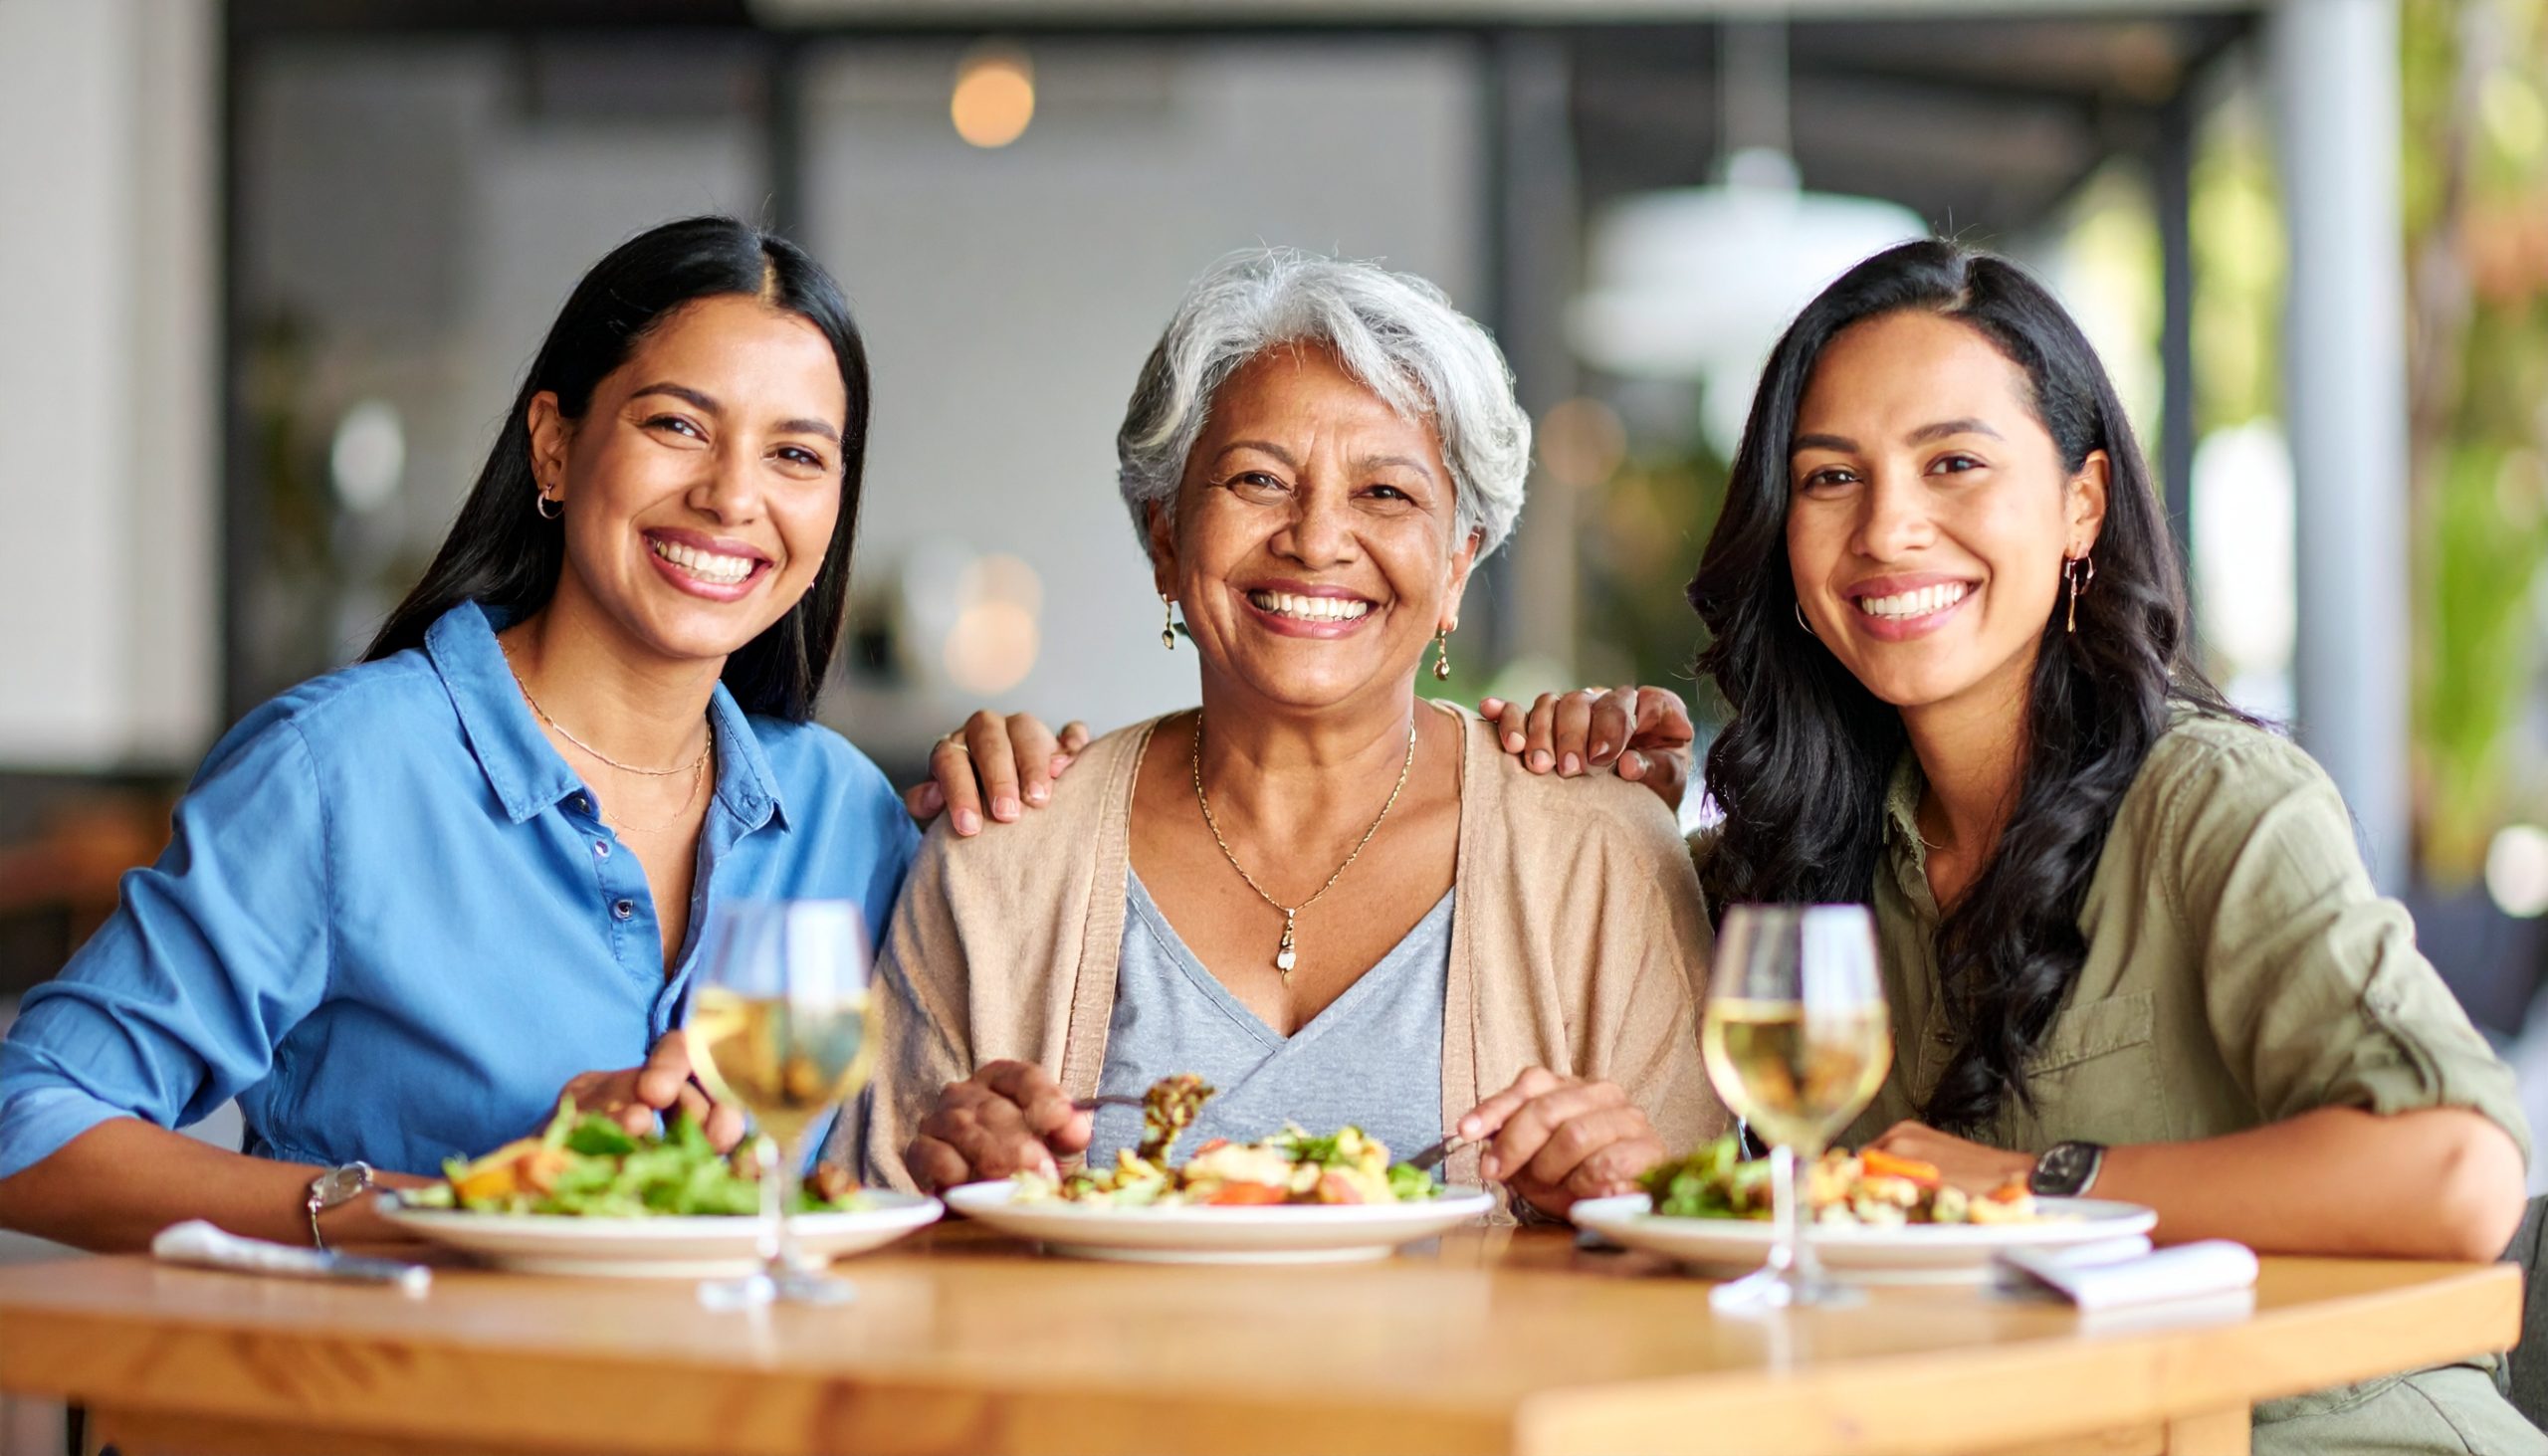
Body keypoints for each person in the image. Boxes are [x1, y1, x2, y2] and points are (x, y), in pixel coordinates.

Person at [1483, 239, 2534, 1451]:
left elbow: (2456, 1174)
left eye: (1955, 464)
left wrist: (2033, 1184)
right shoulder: (1796, 856)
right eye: (1831, 478)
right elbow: (1757, 1188)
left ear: (2080, 503)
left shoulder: (2216, 801)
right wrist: (1598, 810)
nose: (1888, 528)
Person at [0, 216, 917, 1252]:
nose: (732, 495)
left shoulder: (847, 814)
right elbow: (31, 1119)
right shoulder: (342, 768)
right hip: (385, 1399)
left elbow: (913, 1135)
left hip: (728, 1409)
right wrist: (454, 1205)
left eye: (795, 453)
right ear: (556, 444)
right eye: (677, 426)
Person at [864, 249, 1722, 1217]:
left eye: (1385, 493)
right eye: (1257, 480)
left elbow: (1697, 1256)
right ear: (1164, 538)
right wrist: (948, 1192)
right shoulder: (1002, 856)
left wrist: (1635, 1193)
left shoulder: (1602, 852)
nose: (1316, 539)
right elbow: (863, 1236)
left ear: (1455, 566)